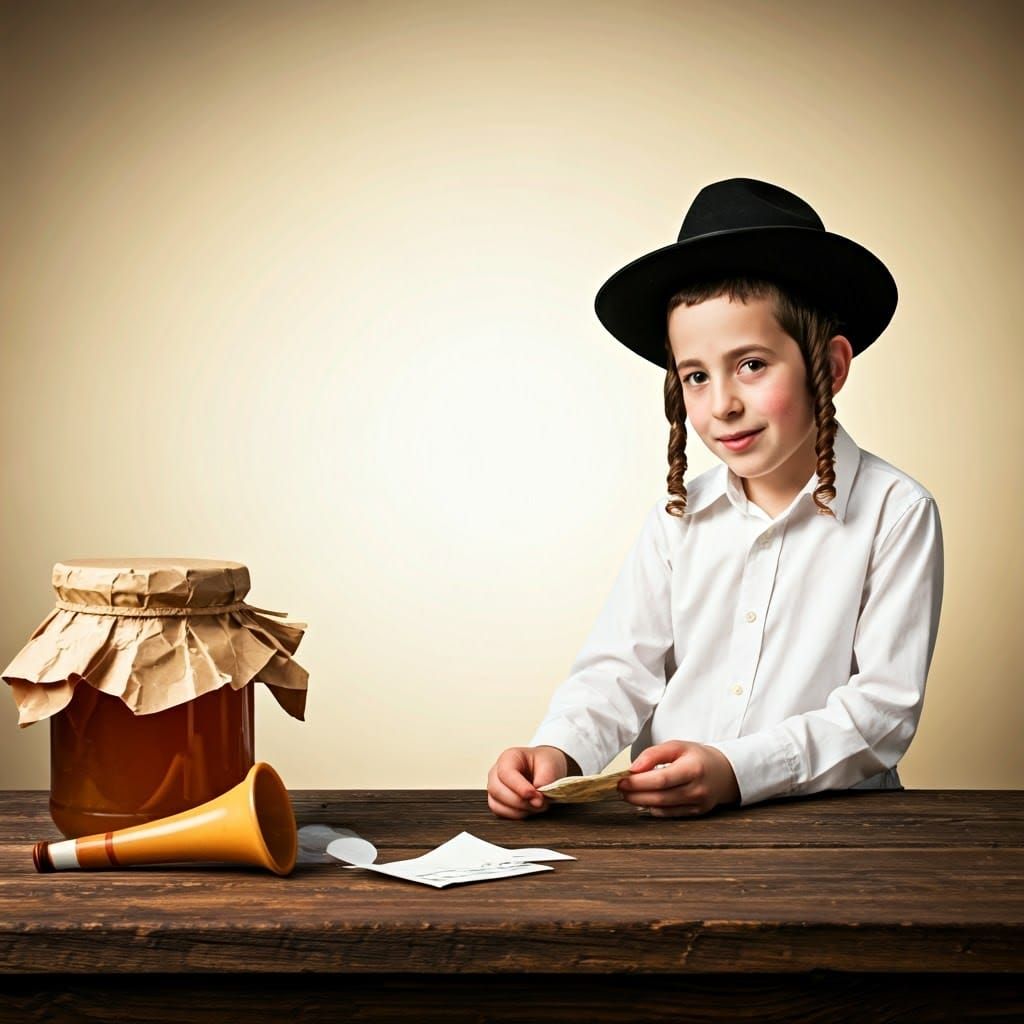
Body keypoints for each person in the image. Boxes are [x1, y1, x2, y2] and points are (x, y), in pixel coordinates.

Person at [486, 177, 944, 820]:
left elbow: (882, 712)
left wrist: (738, 771)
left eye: (752, 364)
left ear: (831, 367)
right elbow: (620, 669)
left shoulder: (896, 513)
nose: (723, 404)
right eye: (696, 376)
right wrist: (559, 752)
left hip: (834, 831)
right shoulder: (678, 519)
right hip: (673, 837)